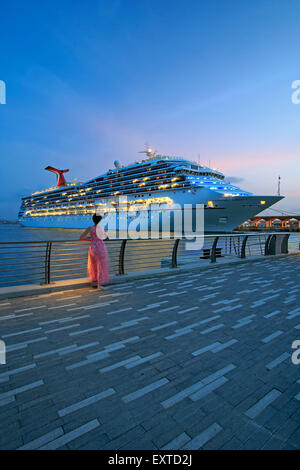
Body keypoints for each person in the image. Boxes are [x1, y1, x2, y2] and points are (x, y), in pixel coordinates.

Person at [80, 214, 109, 288]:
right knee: (101, 265)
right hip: (101, 247)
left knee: (93, 264)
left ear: (93, 220)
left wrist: (91, 237)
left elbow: (81, 237)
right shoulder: (101, 228)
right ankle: (100, 283)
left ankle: (95, 281)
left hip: (94, 247)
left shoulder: (90, 228)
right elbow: (107, 238)